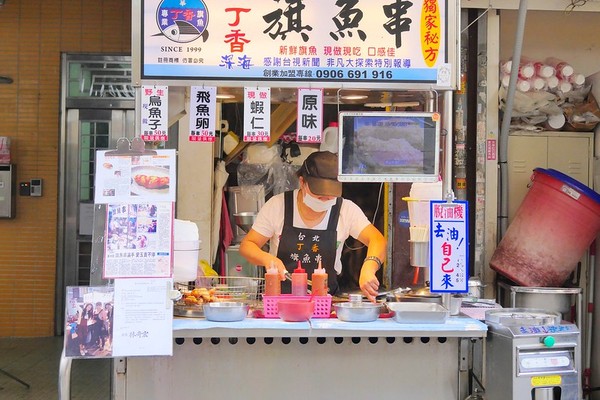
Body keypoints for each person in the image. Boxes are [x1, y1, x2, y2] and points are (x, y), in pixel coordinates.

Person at [239, 151, 387, 302]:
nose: (325, 200)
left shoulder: (346, 209)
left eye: (330, 196)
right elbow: (248, 245)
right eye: (319, 195)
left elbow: (377, 240)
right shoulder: (278, 206)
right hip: (280, 300)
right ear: (302, 182)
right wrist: (267, 259)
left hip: (326, 301)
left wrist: (369, 266)